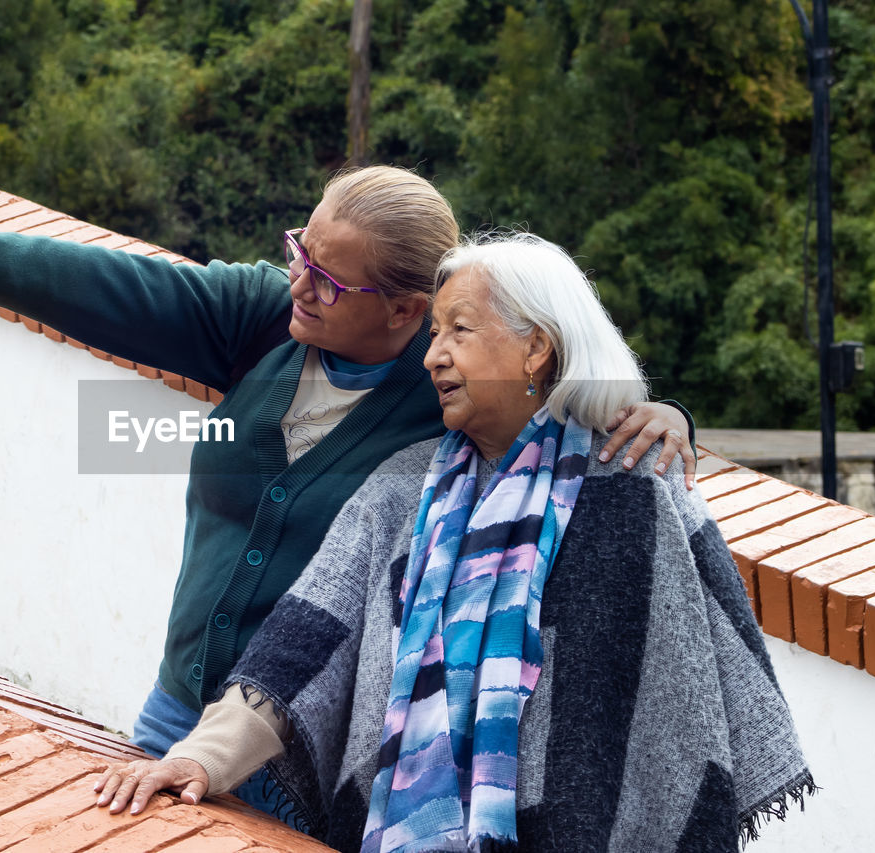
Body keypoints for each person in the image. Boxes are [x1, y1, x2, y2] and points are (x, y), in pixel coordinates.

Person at [0, 171, 696, 811]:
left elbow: (560, 404)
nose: (300, 284)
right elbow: (117, 288)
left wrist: (659, 414)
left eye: (330, 278)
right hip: (176, 711)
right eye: (299, 253)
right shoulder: (265, 320)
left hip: (302, 752)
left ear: (406, 310)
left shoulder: (444, 392)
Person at [93, 232, 811, 852]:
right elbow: (297, 651)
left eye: (459, 332)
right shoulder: (399, 492)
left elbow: (697, 691)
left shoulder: (635, 492)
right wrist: (201, 757)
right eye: (433, 332)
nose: (433, 355)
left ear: (537, 350)